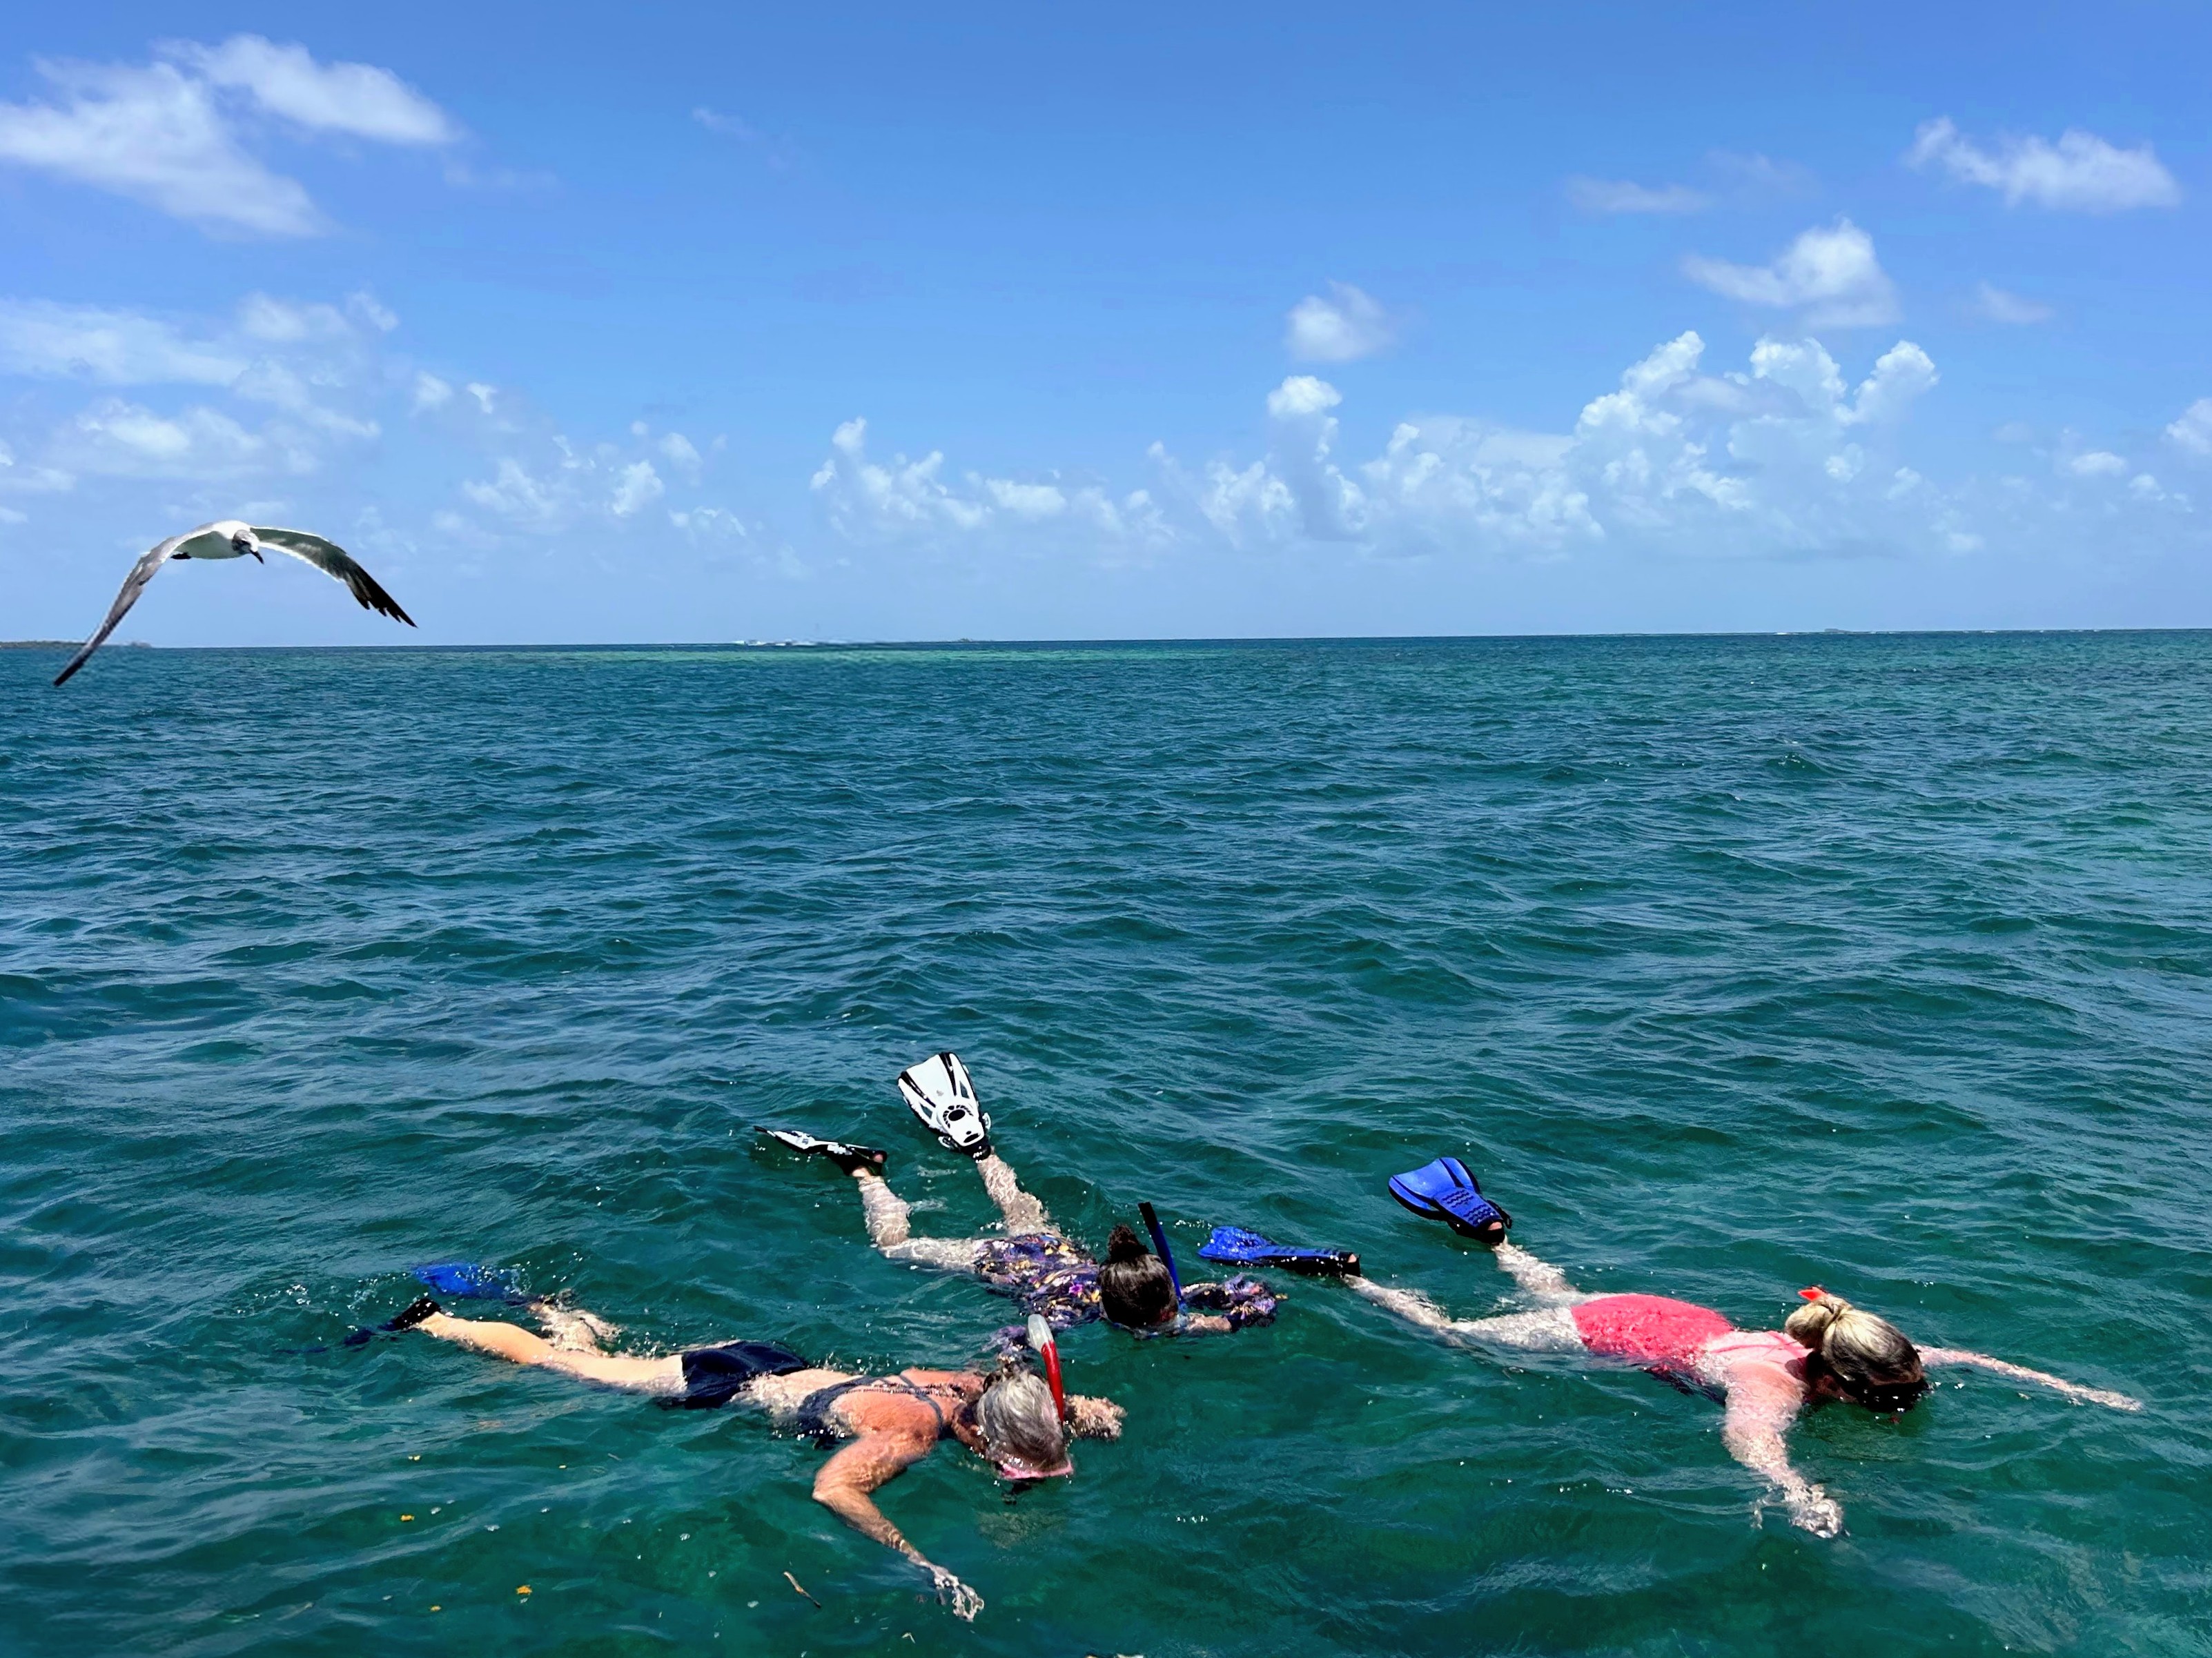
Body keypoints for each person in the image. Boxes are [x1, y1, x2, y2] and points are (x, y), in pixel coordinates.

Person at [1355, 1161, 2142, 1537]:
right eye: (1887, 1401)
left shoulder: (1852, 1335)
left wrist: (2077, 1388)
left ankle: (1491, 1232)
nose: (1899, 1403)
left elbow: (1973, 1357)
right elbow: (1751, 1442)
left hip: (1665, 1313)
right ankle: (1350, 1278)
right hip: (1608, 1334)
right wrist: (1802, 1495)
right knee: (1453, 1334)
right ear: (1836, 1379)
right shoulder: (1774, 1382)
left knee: (1557, 1287)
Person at [378, 1290, 1124, 1619]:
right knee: (566, 1370)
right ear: (986, 1435)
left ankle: (561, 1312)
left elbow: (1053, 1404)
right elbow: (834, 1491)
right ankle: (438, 1322)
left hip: (780, 1362)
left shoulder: (978, 1384)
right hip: (736, 1381)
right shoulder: (909, 1436)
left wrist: (1092, 1418)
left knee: (621, 1366)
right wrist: (918, 1558)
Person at [760, 1052, 1276, 1336]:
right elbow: (1013, 1337)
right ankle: (862, 1172)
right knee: (893, 1247)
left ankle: (981, 1149)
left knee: (1016, 1206)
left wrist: (1234, 1308)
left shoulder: (1151, 1294)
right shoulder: (1074, 1316)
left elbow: (1242, 1292)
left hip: (1053, 1251)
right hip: (999, 1261)